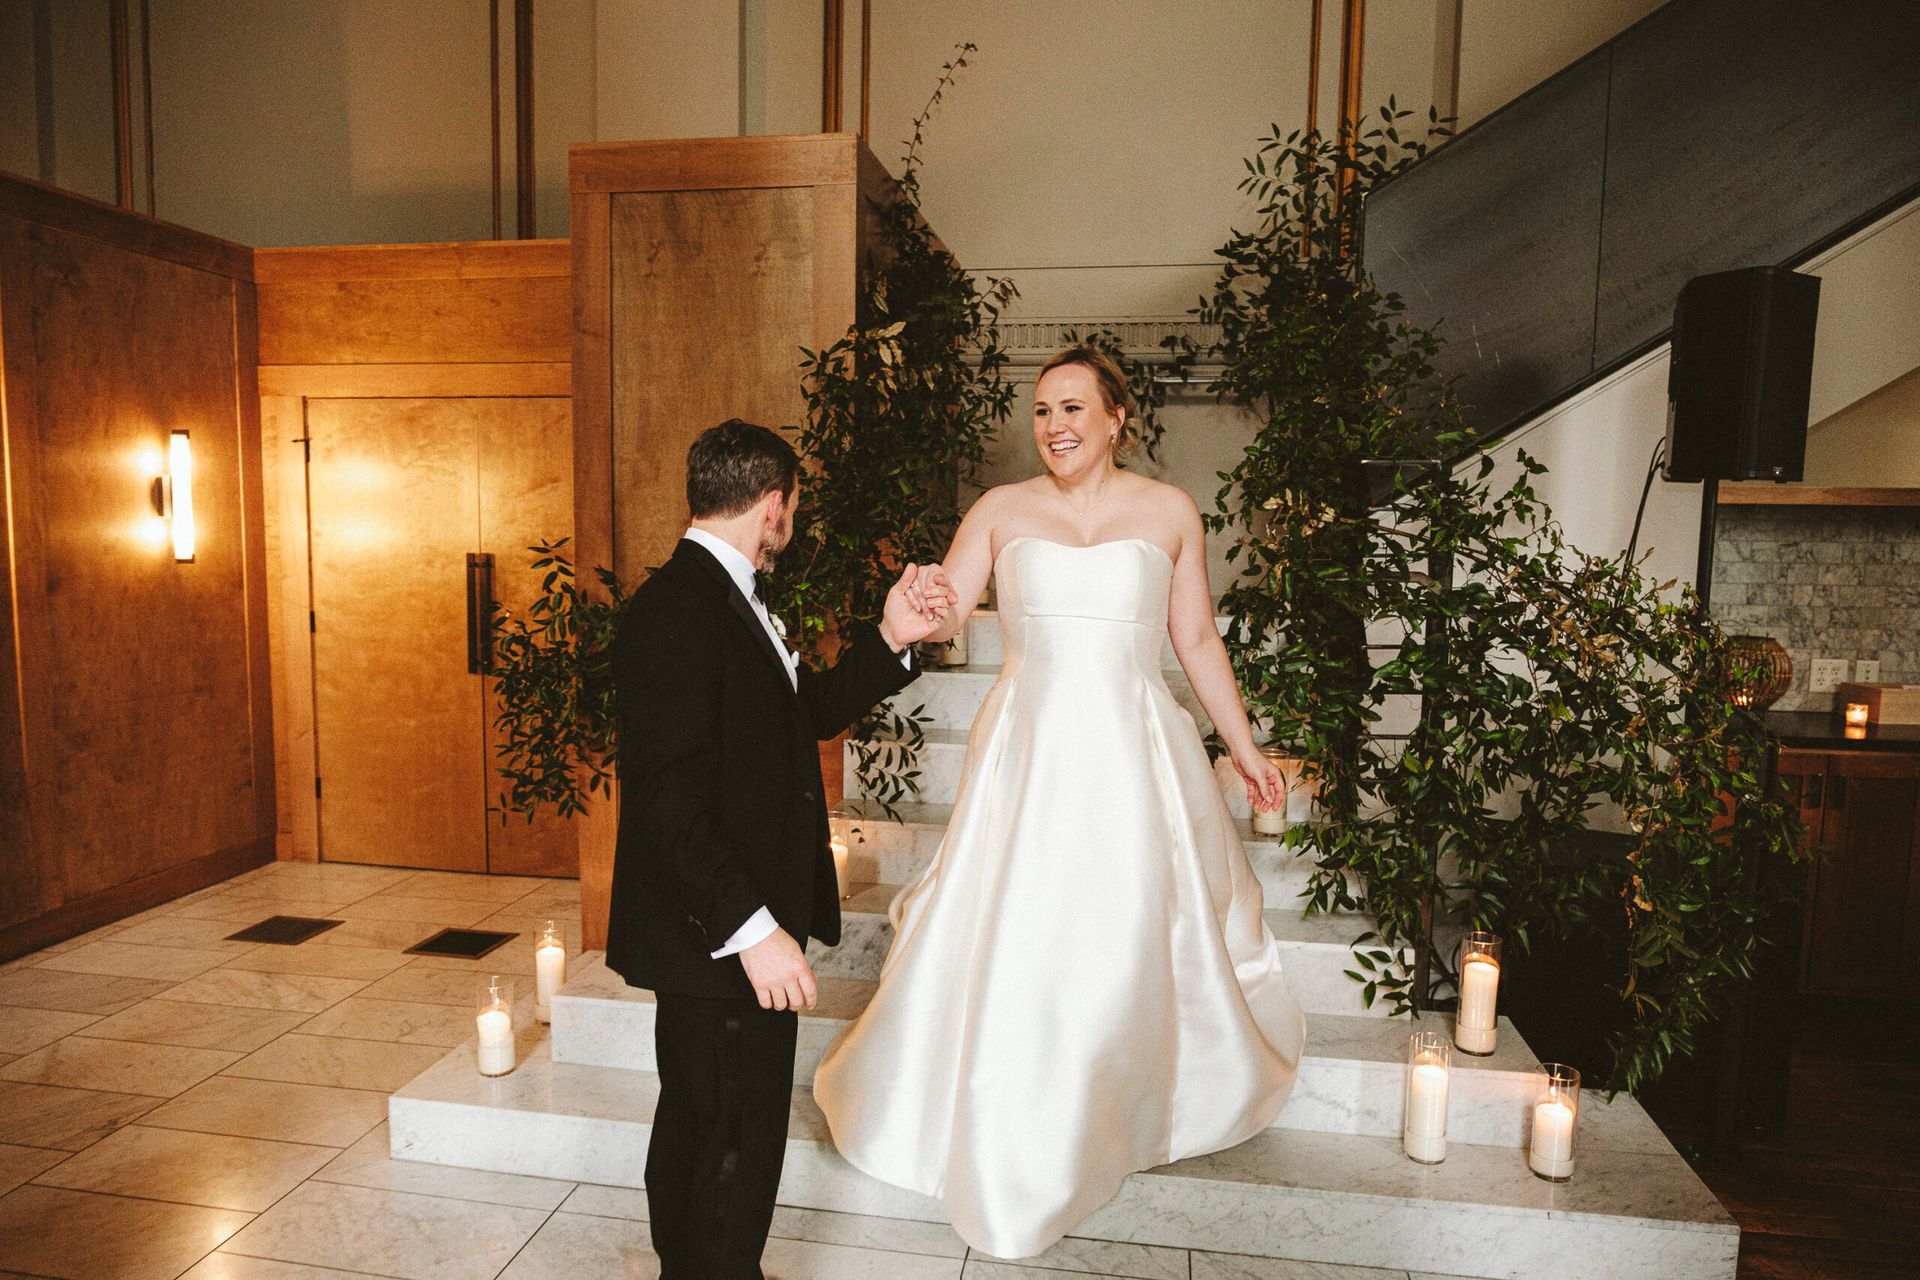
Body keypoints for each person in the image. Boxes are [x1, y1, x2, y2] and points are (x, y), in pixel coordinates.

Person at [812, 347, 1308, 1258]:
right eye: (1041, 411)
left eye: (1074, 407)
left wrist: (1244, 750)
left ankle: (1113, 1103)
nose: (1055, 426)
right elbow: (950, 607)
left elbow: (1194, 637)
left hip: (1132, 752)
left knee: (1121, 931)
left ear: (1118, 417)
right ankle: (1018, 1116)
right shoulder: (1000, 511)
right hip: (1031, 754)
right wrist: (920, 601)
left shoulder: (1168, 513)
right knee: (1026, 924)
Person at [603, 419, 954, 1278]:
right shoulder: (679, 613)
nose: (790, 524)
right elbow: (667, 801)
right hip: (718, 929)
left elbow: (800, 718)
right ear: (774, 507)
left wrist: (892, 638)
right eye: (793, 508)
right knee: (730, 1133)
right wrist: (753, 930)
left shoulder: (726, 598)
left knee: (704, 1117)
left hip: (723, 919)